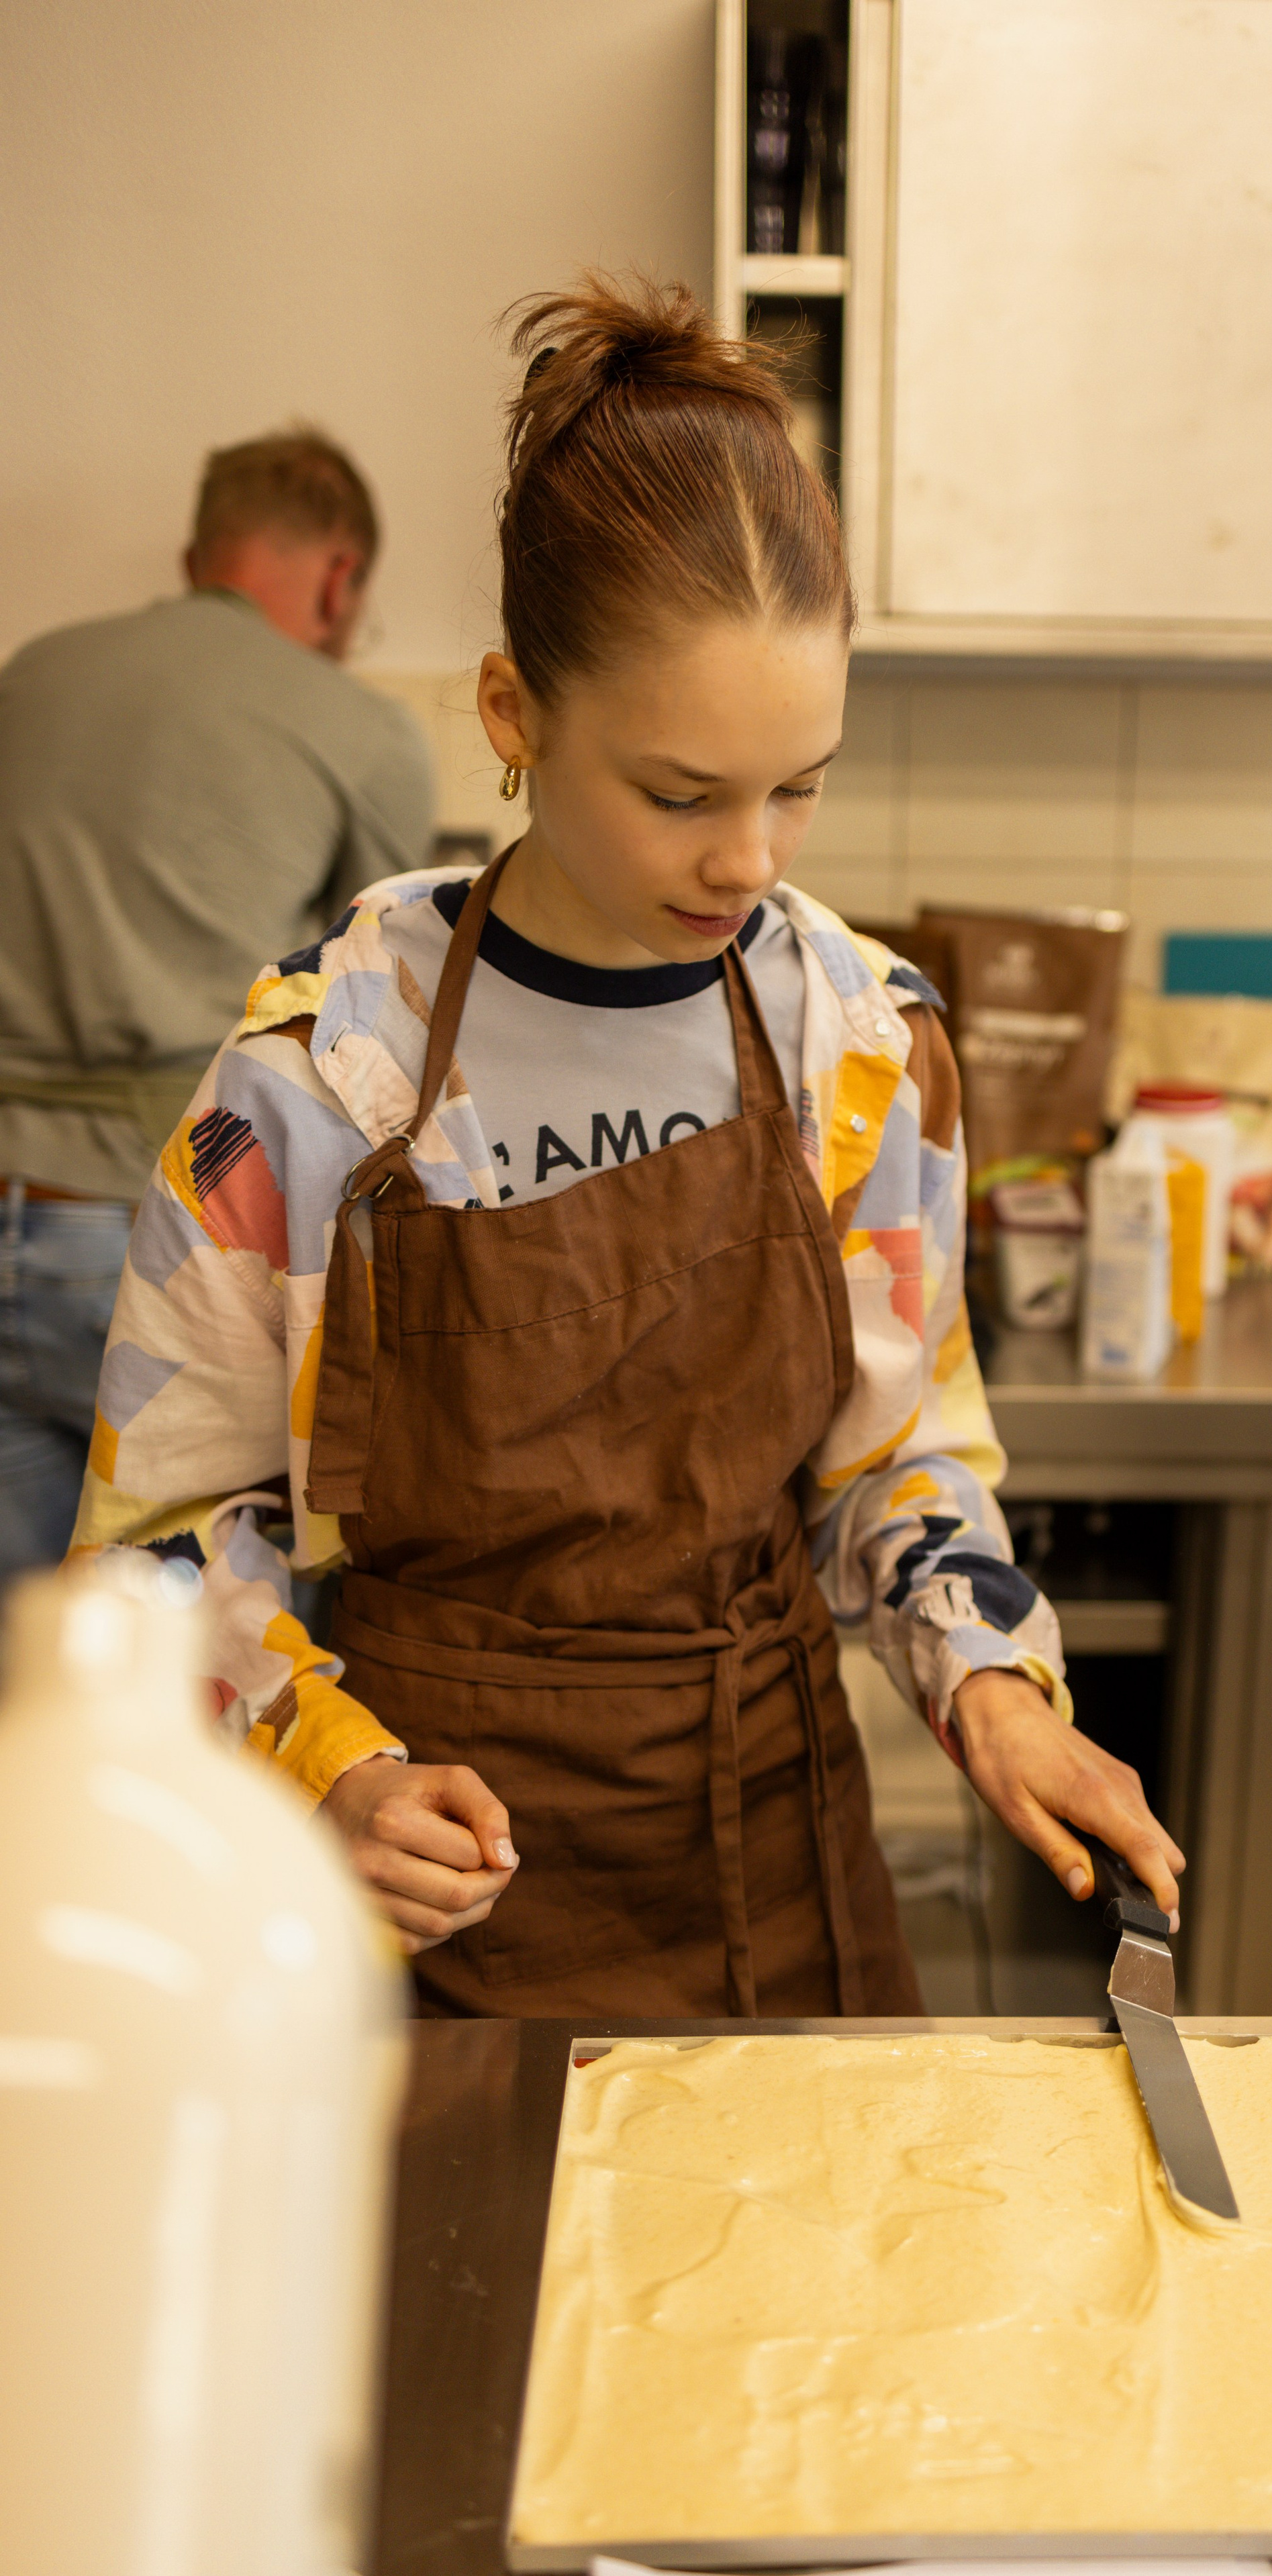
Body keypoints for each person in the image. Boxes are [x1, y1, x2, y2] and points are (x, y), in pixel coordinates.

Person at [71, 277, 1184, 2017]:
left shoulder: (860, 1041)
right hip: (412, 1916)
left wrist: (995, 1684)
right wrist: (325, 1764)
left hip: (774, 1880)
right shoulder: (318, 1070)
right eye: (681, 793)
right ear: (512, 711)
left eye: (799, 785)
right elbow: (159, 1536)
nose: (750, 860)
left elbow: (894, 1457)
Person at [0, 431, 434, 1579]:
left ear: (202, 553)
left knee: (28, 1705)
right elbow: (395, 1013)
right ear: (342, 580)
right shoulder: (362, 732)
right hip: (162, 1252)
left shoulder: (27, 674)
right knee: (222, 1681)